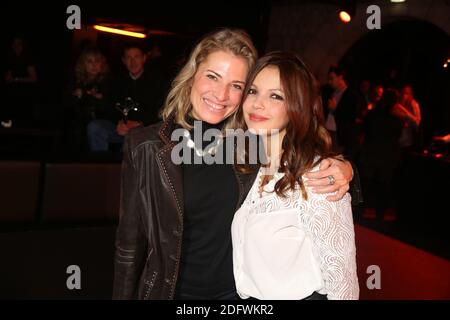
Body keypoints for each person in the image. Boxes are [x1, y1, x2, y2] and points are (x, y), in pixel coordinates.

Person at [112, 29, 355, 300]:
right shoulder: (145, 146)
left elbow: (307, 166)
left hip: (236, 298)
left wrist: (347, 171)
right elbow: (128, 246)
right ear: (192, 73)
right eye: (213, 76)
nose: (221, 94)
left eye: (237, 85)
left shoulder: (250, 143)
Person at [230, 51, 359, 300]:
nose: (258, 103)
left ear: (296, 107)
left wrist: (348, 168)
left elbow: (343, 288)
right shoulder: (249, 166)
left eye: (276, 96)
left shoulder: (318, 177)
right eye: (253, 91)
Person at [87, 44, 166, 151]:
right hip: (121, 128)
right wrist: (118, 123)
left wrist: (140, 123)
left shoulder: (157, 81)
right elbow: (109, 108)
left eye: (136, 57)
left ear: (144, 58)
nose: (133, 62)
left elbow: (162, 112)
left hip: (145, 130)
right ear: (123, 61)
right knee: (95, 127)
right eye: (129, 58)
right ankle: (101, 165)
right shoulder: (116, 81)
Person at [63, 47, 113, 152]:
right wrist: (89, 96)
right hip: (77, 123)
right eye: (89, 61)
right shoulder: (76, 80)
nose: (94, 65)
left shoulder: (107, 81)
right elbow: (67, 103)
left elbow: (106, 106)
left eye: (97, 61)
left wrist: (83, 95)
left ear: (102, 64)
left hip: (101, 123)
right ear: (83, 64)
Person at [325, 65, 359, 160]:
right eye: (328, 79)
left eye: (332, 78)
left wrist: (335, 109)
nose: (329, 82)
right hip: (328, 131)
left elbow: (351, 116)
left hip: (339, 135)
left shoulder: (351, 95)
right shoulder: (330, 92)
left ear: (340, 77)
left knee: (335, 159)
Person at [393, 85, 421, 150]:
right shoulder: (396, 104)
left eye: (406, 94)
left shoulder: (413, 105)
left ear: (410, 95)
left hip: (406, 142)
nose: (404, 96)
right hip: (395, 141)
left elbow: (417, 123)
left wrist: (404, 111)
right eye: (402, 93)